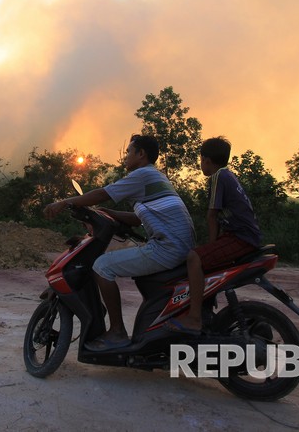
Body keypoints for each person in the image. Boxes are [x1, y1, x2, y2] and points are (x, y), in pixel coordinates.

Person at [44, 134, 195, 351]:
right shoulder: (156, 177)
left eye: (128, 152)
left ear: (141, 154)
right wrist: (106, 213)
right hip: (178, 246)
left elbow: (101, 193)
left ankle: (117, 332)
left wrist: (64, 202)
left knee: (102, 266)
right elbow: (137, 219)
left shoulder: (141, 175)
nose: (125, 157)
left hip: (166, 248)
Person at [165, 137, 262, 335]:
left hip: (240, 238)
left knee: (194, 258)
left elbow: (212, 215)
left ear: (206, 160)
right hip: (244, 235)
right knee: (202, 259)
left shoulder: (218, 177)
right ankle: (205, 311)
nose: (201, 164)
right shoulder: (229, 175)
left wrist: (211, 246)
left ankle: (194, 318)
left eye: (201, 160)